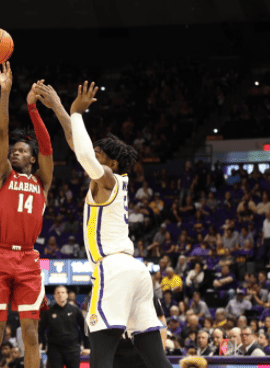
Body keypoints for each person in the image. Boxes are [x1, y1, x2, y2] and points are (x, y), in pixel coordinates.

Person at [34, 80, 172, 368]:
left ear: (112, 162)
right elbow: (78, 144)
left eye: (99, 155)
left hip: (113, 269)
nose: (91, 158)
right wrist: (59, 106)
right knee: (155, 358)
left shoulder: (107, 178)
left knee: (100, 355)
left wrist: (76, 112)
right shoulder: (114, 182)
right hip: (136, 271)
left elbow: (83, 153)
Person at [0, 62, 54, 368]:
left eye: (22, 150)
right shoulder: (2, 176)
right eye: (14, 149)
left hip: (28, 258)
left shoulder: (42, 181)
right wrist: (6, 91)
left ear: (32, 158)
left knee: (31, 333)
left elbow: (49, 148)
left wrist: (32, 109)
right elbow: (0, 132)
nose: (15, 152)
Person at [38, 286, 89, 368]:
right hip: (54, 351)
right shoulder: (48, 312)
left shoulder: (75, 310)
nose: (60, 295)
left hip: (72, 350)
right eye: (57, 293)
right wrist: (41, 344)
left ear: (67, 295)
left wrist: (87, 346)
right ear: (54, 296)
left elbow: (84, 328)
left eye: (62, 292)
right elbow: (40, 330)